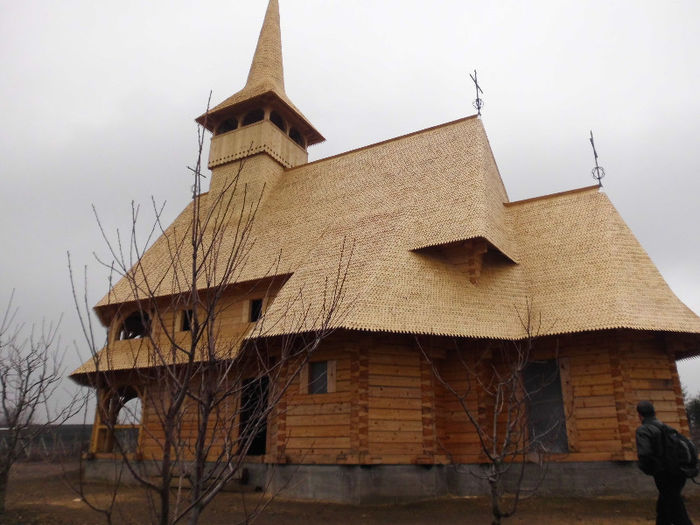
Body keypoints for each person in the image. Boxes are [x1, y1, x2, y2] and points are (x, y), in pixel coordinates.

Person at [636, 400, 694, 525]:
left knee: (676, 510)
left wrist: (650, 469)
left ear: (640, 415)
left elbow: (645, 454)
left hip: (665, 473)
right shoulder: (666, 427)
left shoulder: (644, 430)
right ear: (654, 412)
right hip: (680, 471)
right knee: (664, 508)